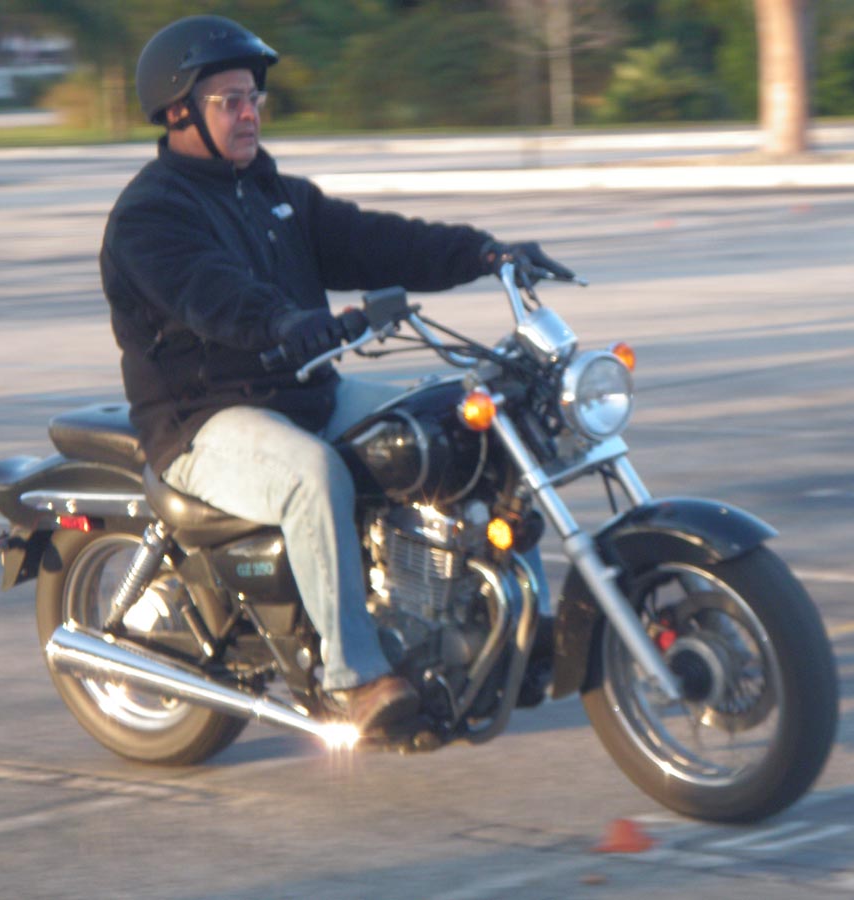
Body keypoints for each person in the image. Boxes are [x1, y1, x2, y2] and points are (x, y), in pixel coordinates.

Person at [100, 15, 571, 737]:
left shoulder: (274, 194)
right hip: (202, 419)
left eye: (255, 98)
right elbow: (209, 292)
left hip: (307, 394)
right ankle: (354, 678)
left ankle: (511, 627)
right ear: (177, 112)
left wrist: (485, 253)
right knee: (312, 476)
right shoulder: (149, 215)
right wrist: (283, 322)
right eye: (230, 101)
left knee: (469, 421)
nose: (250, 113)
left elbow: (377, 240)